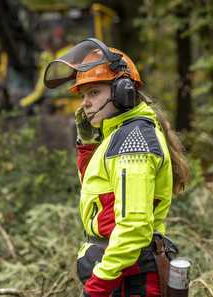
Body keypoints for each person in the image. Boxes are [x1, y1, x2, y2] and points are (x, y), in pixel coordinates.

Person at [43, 38, 190, 297]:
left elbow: (133, 226)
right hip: (122, 274)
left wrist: (98, 287)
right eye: (82, 95)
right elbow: (102, 197)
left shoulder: (133, 140)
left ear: (123, 91)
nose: (84, 103)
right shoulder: (121, 135)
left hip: (131, 280)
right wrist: (88, 143)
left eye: (94, 92)